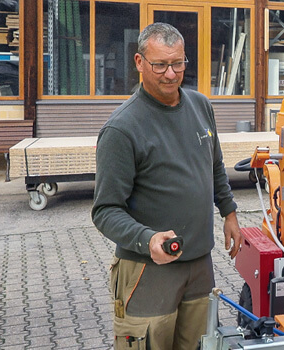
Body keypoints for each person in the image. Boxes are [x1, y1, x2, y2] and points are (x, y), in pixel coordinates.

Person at [91, 22, 242, 350]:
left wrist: (229, 211)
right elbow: (105, 211)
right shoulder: (122, 129)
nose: (171, 74)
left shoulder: (201, 105)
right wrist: (147, 240)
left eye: (178, 63)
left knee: (201, 344)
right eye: (160, 65)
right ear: (139, 63)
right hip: (149, 271)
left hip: (200, 264)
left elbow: (213, 165)